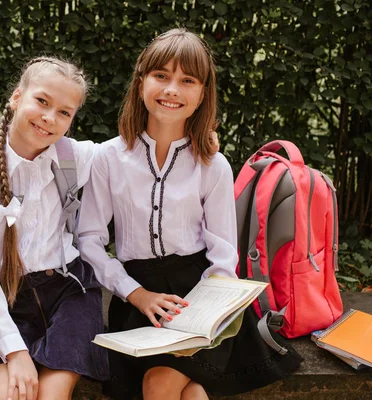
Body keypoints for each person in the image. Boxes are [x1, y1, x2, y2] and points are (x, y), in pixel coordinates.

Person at [77, 28, 303, 400]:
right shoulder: (108, 158)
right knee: (191, 391)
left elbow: (223, 253)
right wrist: (136, 294)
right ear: (141, 82)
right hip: (139, 298)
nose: (172, 90)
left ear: (202, 95)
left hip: (200, 296)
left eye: (187, 80)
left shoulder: (212, 164)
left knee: (161, 384)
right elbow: (89, 240)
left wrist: (205, 313)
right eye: (161, 76)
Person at [0, 57, 108, 400]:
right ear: (17, 97)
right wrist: (14, 352)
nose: (50, 118)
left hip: (71, 293)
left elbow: (134, 152)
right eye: (42, 101)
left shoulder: (77, 157)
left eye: (65, 112)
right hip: (6, 298)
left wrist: (199, 138)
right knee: (8, 392)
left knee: (52, 394)